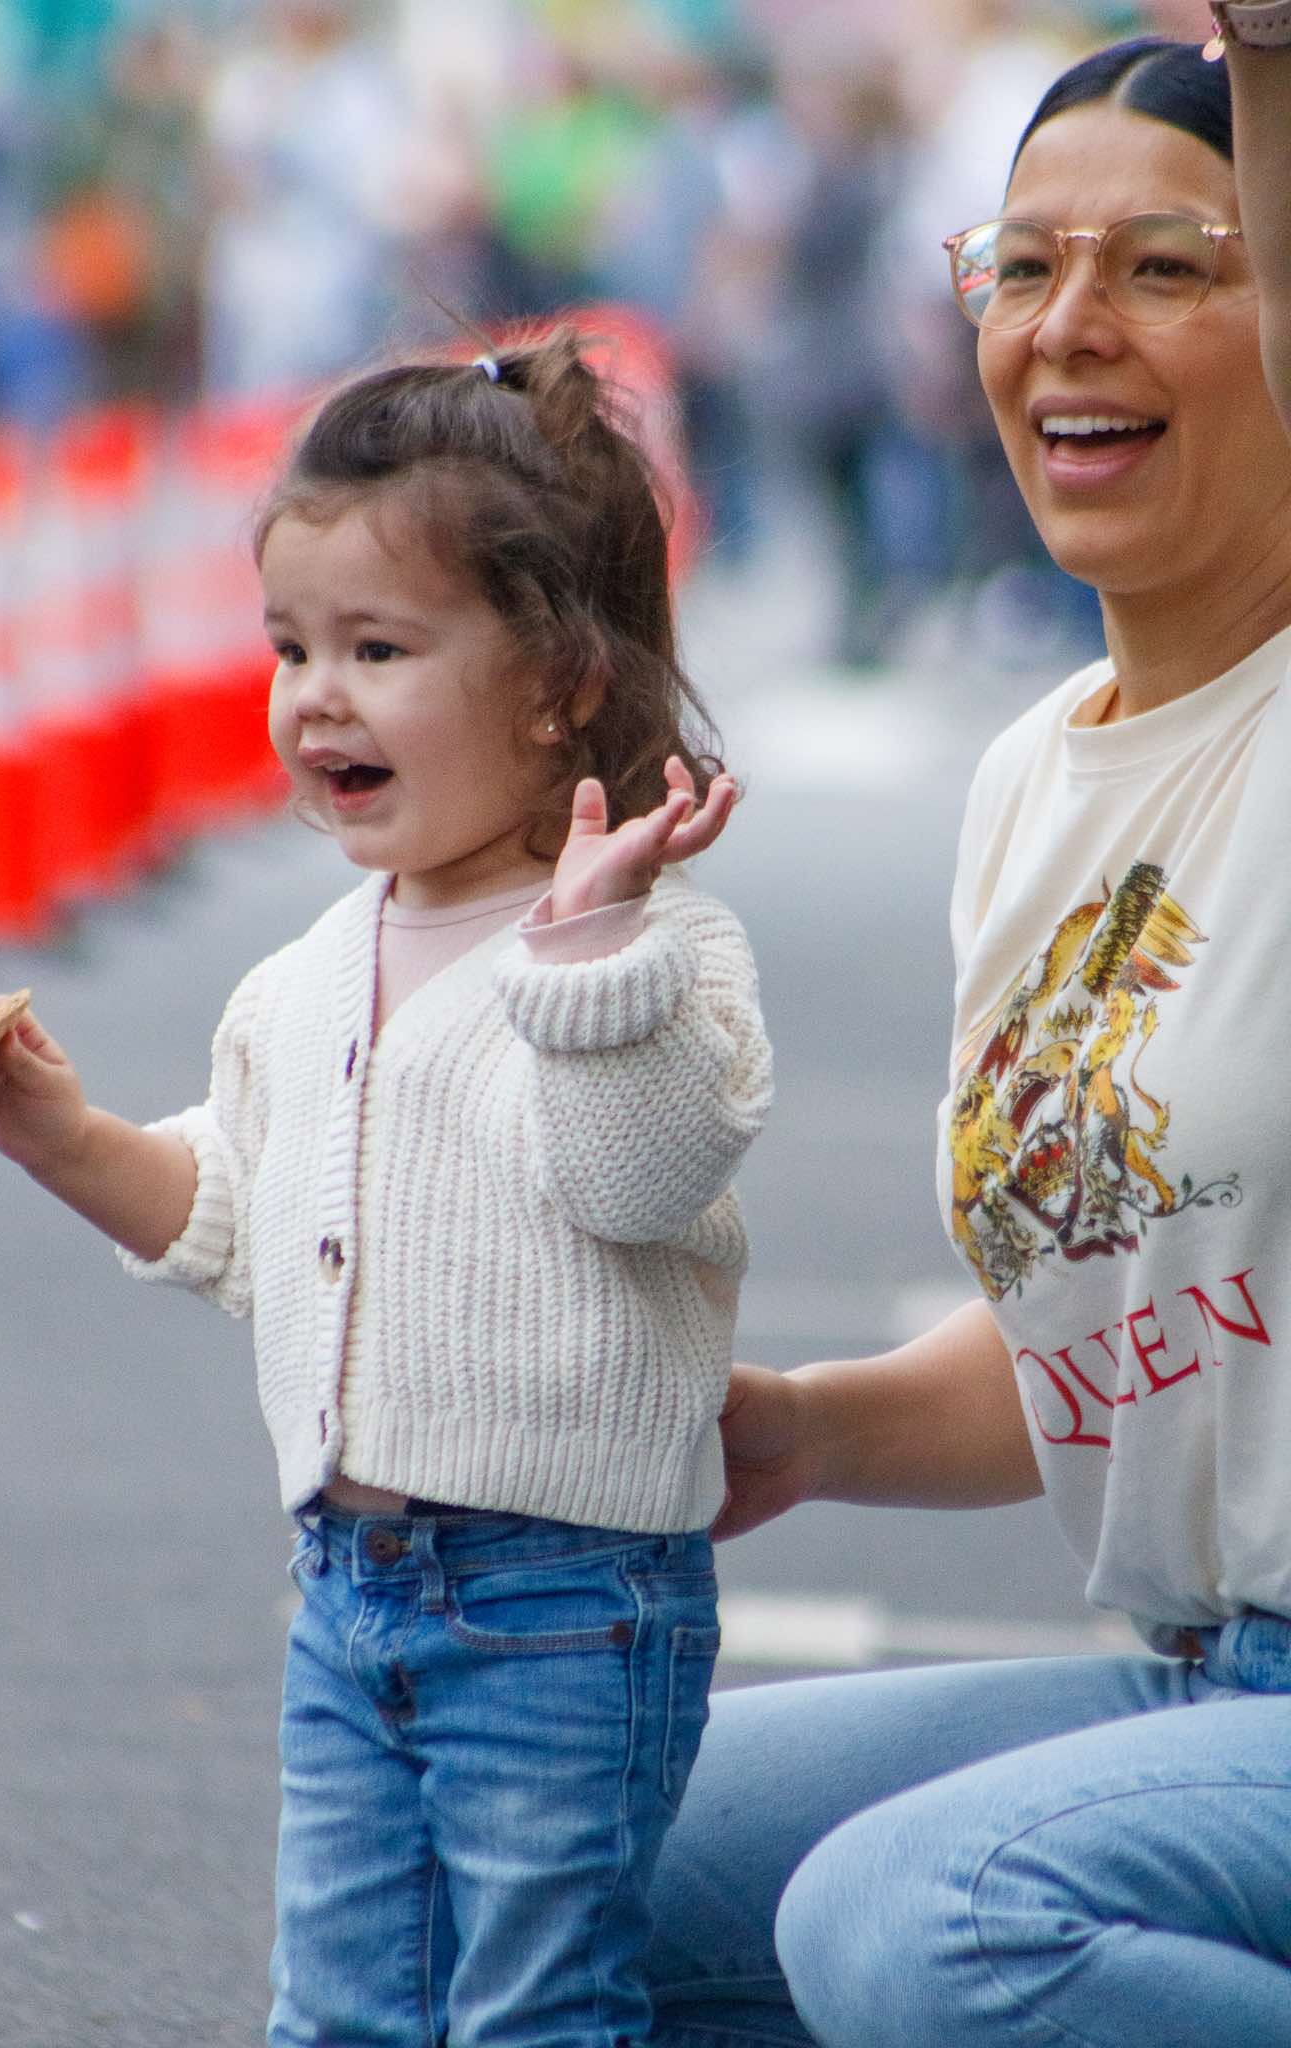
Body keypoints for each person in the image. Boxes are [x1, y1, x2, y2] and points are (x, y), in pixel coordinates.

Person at [0, 330, 773, 2048]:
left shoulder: (665, 954)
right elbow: (241, 1212)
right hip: (348, 1592)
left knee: (537, 2011)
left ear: (560, 682)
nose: (315, 697)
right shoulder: (307, 975)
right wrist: (69, 1141)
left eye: (379, 648)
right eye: (290, 646)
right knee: (342, 2012)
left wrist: (588, 953)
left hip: (564, 1606)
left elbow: (643, 1178)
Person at [641, 28, 1291, 2048]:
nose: (1071, 324)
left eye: (1168, 267)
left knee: (934, 1923)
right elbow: (1138, 1318)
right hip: (1206, 1688)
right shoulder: (1032, 780)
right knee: (541, 1844)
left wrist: (1272, 46)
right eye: (1021, 266)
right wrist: (807, 1431)